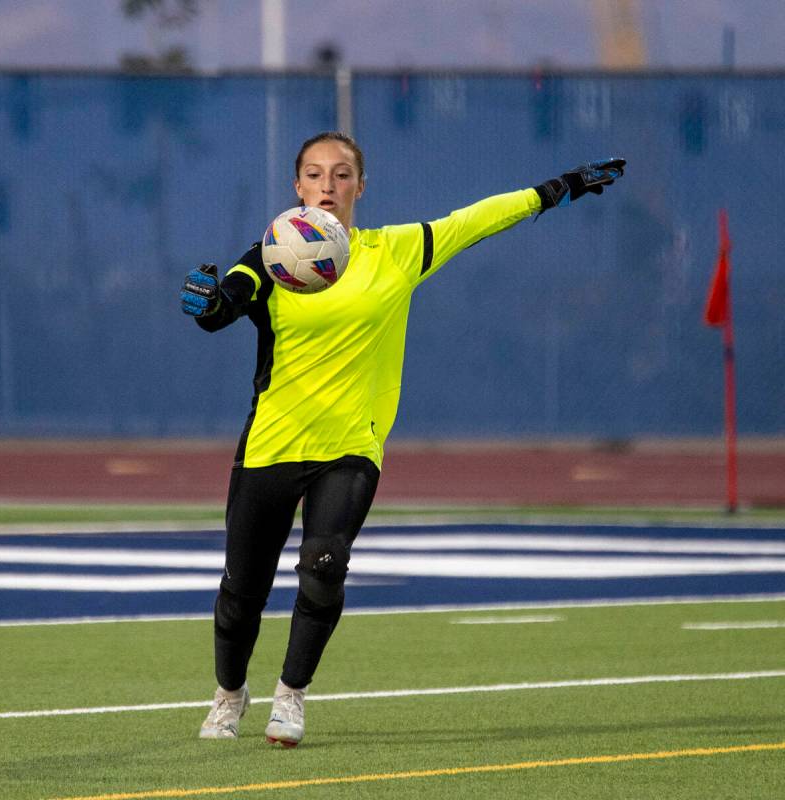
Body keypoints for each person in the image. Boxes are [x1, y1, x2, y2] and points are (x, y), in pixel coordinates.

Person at [181, 131, 625, 747]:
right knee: (242, 591)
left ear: (361, 187)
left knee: (325, 561)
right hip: (271, 448)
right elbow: (229, 300)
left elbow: (474, 221)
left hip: (350, 448)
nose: (327, 186)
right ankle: (229, 695)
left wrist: (560, 188)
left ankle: (291, 696)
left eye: (341, 175)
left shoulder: (396, 251)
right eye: (314, 175)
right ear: (297, 186)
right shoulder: (271, 255)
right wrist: (207, 303)